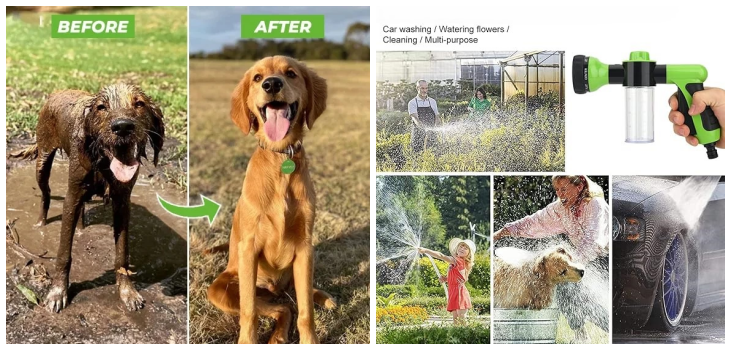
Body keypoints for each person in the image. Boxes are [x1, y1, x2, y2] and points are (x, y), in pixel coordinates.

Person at [493, 175, 609, 343]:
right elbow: (535, 221)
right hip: (582, 258)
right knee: (564, 288)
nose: (560, 194)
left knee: (592, 300)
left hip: (607, 259)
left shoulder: (595, 205)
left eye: (564, 189)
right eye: (557, 190)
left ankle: (612, 333)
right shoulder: (561, 209)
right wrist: (502, 232)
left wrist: (573, 262)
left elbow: (593, 241)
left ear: (579, 186)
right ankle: (581, 336)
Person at [419, 238, 475, 325]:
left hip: (459, 292)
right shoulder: (458, 262)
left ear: (469, 253)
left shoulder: (458, 260)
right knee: (456, 318)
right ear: (457, 249)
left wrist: (426, 250)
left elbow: (441, 256)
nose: (462, 249)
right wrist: (446, 279)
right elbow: (458, 276)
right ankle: (458, 336)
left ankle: (468, 336)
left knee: (461, 317)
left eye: (465, 248)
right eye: (461, 246)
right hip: (453, 291)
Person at [408, 79, 440, 154]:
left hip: (431, 132)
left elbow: (437, 117)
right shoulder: (412, 103)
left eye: (426, 88)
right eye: (422, 88)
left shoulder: (432, 101)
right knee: (416, 154)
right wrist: (424, 129)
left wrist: (435, 127)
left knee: (433, 153)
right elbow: (415, 119)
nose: (425, 90)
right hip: (418, 133)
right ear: (417, 88)